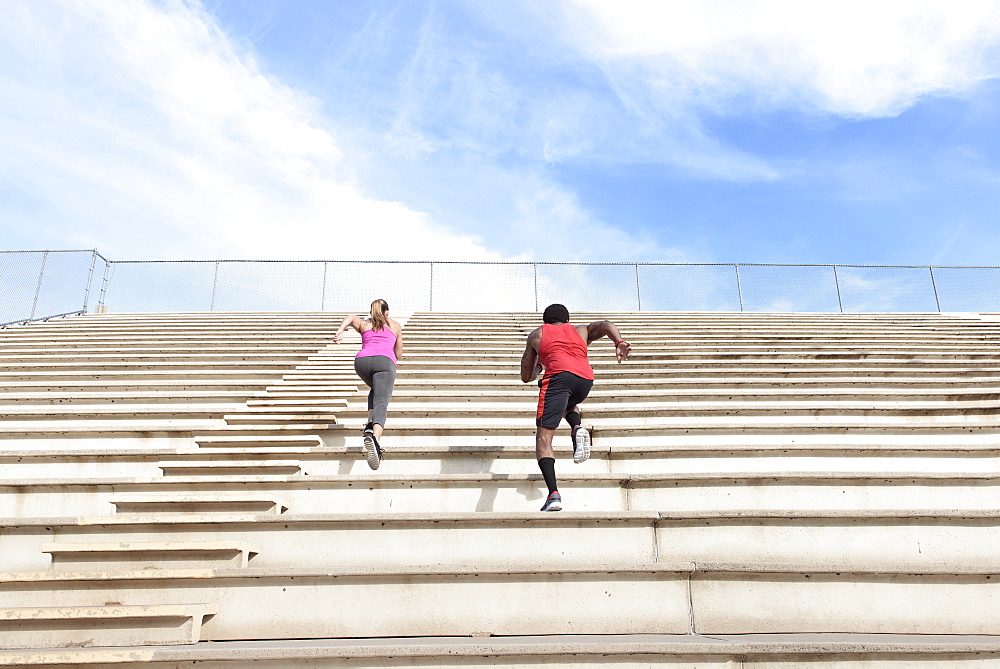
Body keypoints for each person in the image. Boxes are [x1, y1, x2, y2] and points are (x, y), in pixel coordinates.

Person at [520, 304, 631, 511]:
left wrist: (537, 365)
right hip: (585, 380)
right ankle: (576, 427)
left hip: (558, 379)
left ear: (545, 321)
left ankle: (553, 495)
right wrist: (619, 341)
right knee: (568, 403)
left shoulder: (537, 334)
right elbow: (606, 324)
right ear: (567, 320)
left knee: (544, 439)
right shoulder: (580, 330)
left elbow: (526, 377)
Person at [334, 299, 403, 470]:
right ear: (386, 312)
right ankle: (376, 440)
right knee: (382, 401)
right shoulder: (394, 325)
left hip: (361, 362)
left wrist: (341, 331)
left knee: (375, 389)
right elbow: (399, 354)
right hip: (384, 363)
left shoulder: (366, 323)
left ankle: (370, 424)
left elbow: (350, 317)